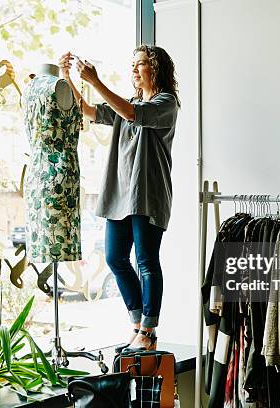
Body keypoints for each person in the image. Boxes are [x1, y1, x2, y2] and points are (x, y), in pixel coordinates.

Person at [59, 45, 180, 351]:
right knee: (115, 257)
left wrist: (96, 81)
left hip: (147, 193)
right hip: (120, 194)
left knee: (147, 261)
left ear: (156, 69)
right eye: (133, 65)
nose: (135, 70)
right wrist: (66, 76)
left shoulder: (167, 103)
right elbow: (86, 110)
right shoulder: (127, 104)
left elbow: (133, 114)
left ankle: (149, 332)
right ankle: (138, 324)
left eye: (140, 64)